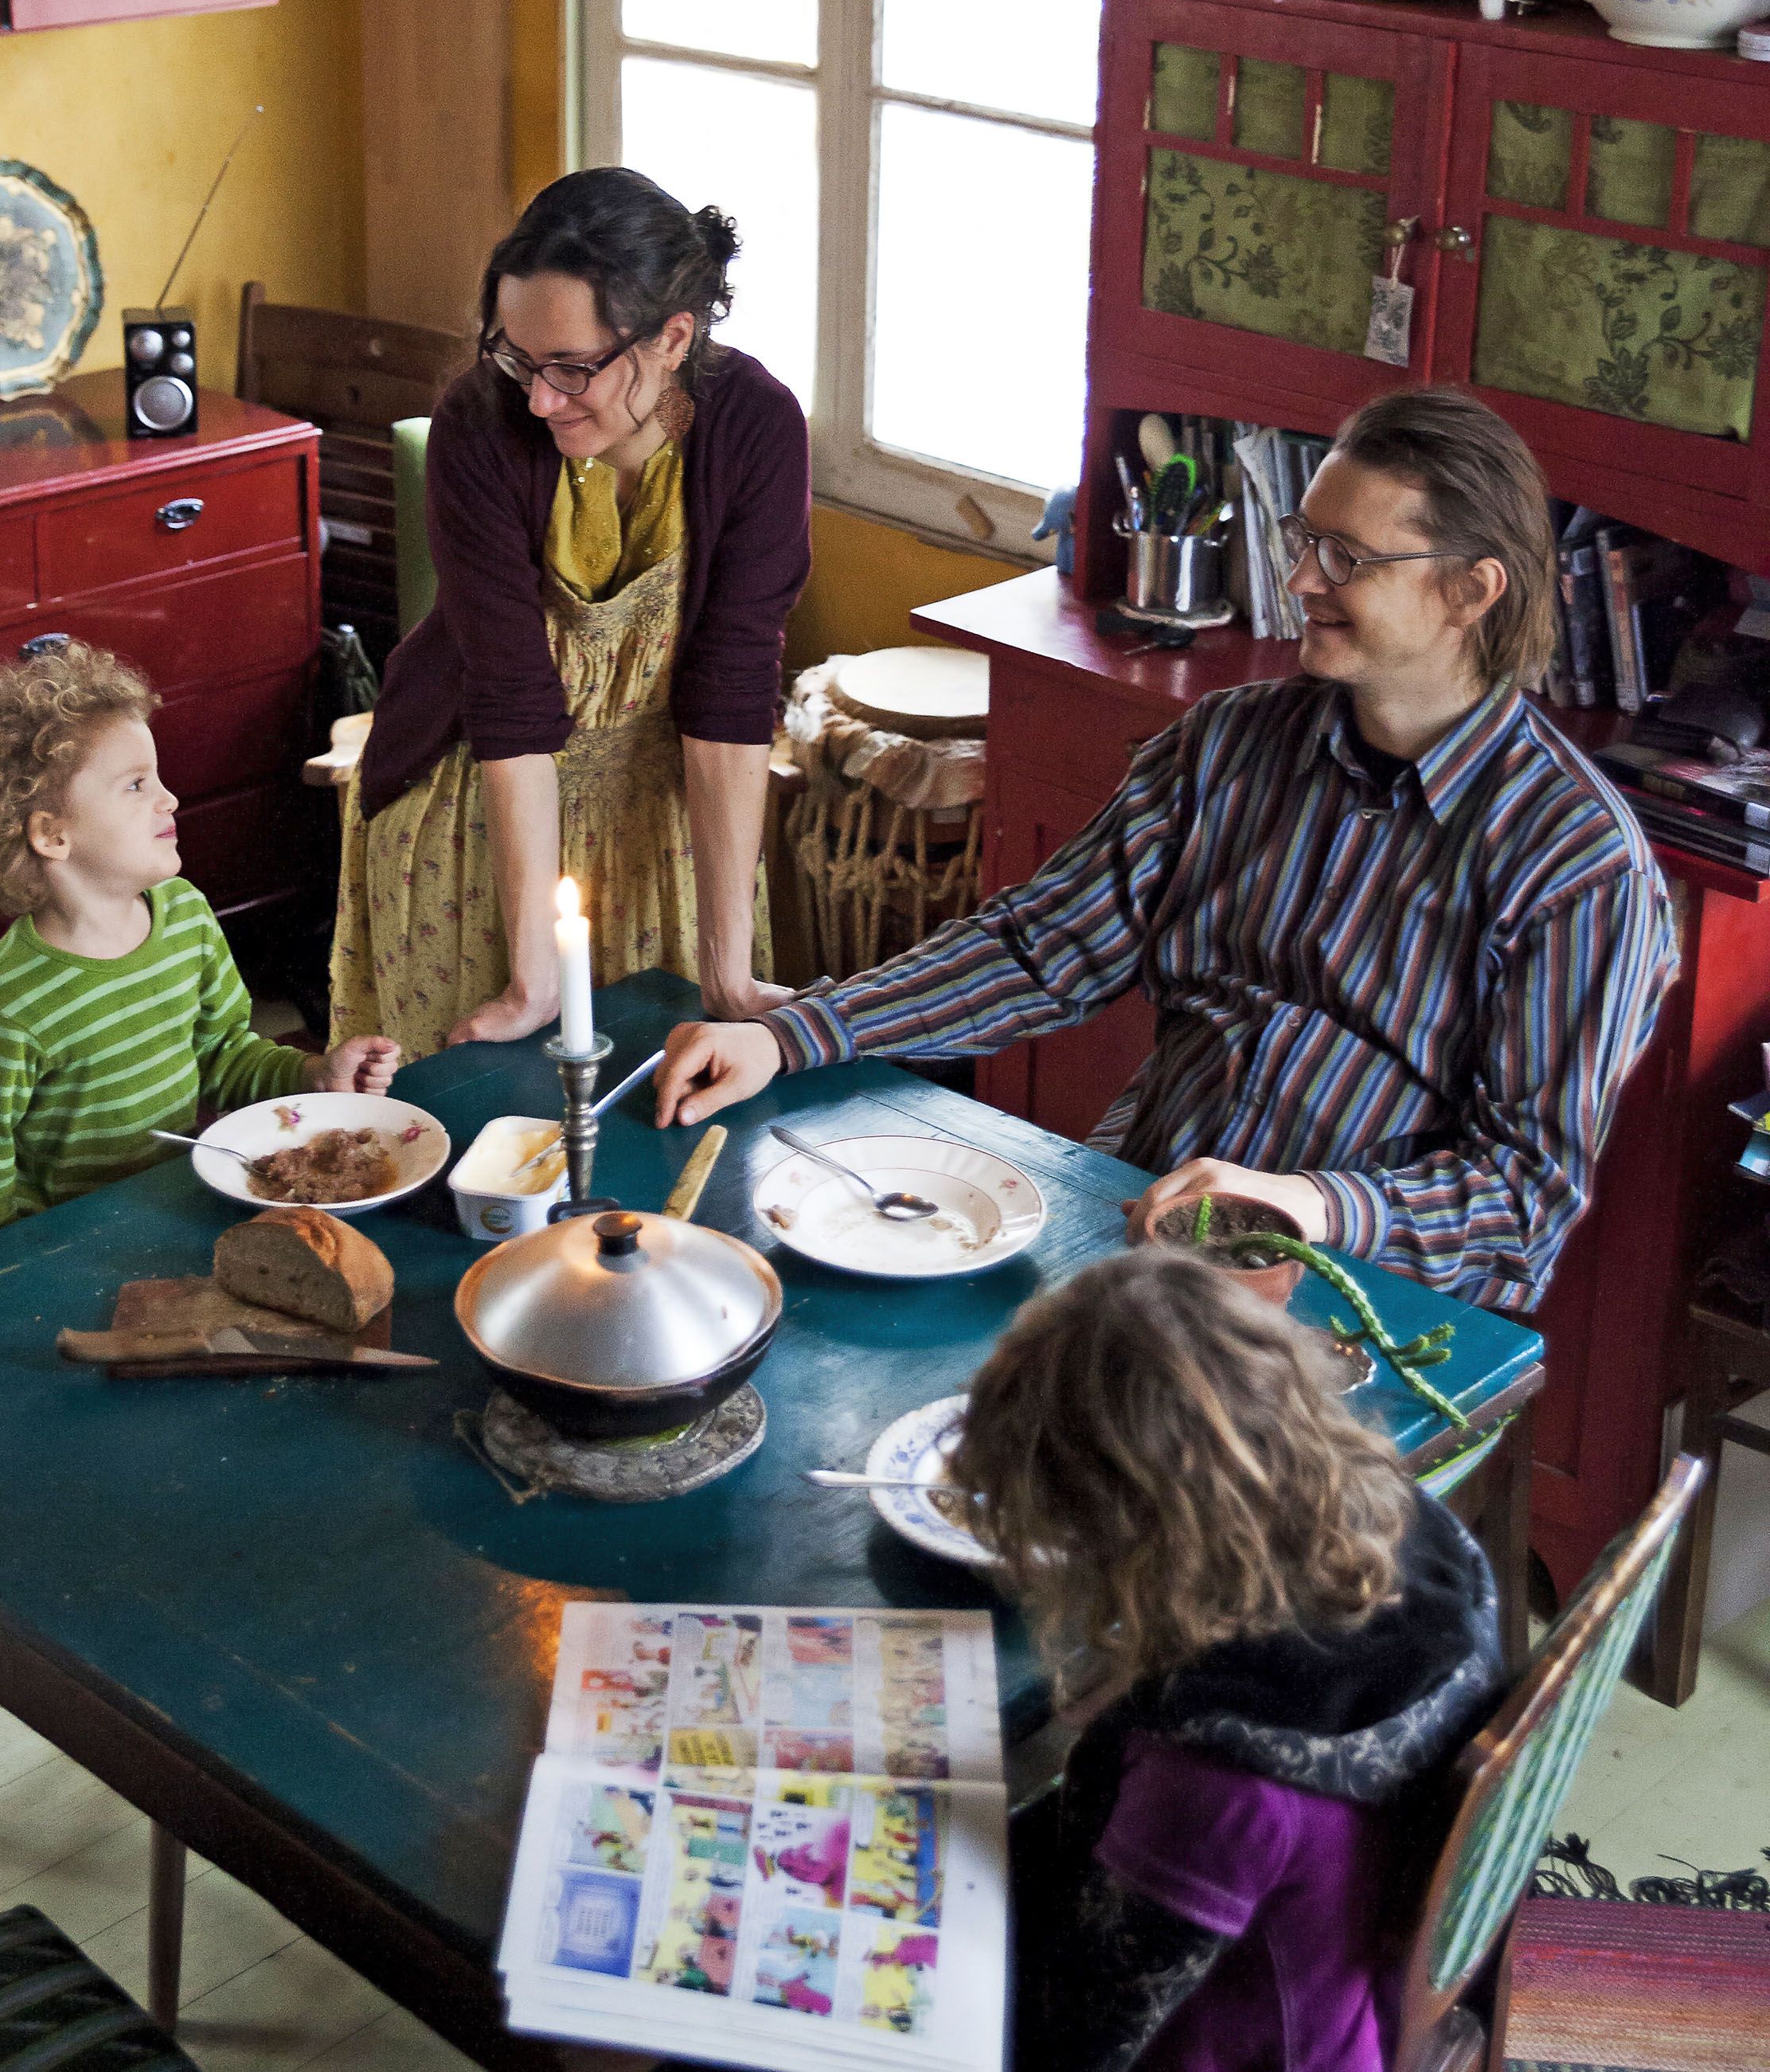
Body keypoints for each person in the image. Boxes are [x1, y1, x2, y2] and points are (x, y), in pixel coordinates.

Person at [655, 386, 1676, 1312]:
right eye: (1302, 537)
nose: (1299, 578)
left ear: (1470, 592)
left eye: (1348, 560)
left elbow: (1521, 1199)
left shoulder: (1579, 865)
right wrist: (795, 1032)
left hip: (1354, 1301)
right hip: (1132, 1216)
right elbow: (1038, 949)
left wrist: (1305, 1207)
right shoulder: (1229, 743)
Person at [949, 1249, 1502, 2072]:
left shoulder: (1207, 1785)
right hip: (1355, 1992)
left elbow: (1083, 2039)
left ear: (1128, 1538)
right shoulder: (1427, 1541)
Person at [333, 168, 811, 1060]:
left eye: (571, 368)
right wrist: (531, 978)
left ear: (673, 337)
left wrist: (728, 970)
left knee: (664, 1123)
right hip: (479, 811)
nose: (538, 399)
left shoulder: (752, 429)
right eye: (518, 358)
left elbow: (730, 692)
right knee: (479, 1140)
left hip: (663, 822)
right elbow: (509, 700)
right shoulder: (480, 427)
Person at [0, 643, 397, 1242]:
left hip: (177, 1209)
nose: (169, 798)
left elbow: (222, 1057)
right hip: (69, 1248)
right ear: (51, 835)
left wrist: (315, 1072)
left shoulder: (186, 917)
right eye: (136, 785)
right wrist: (11, 1275)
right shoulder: (6, 1009)